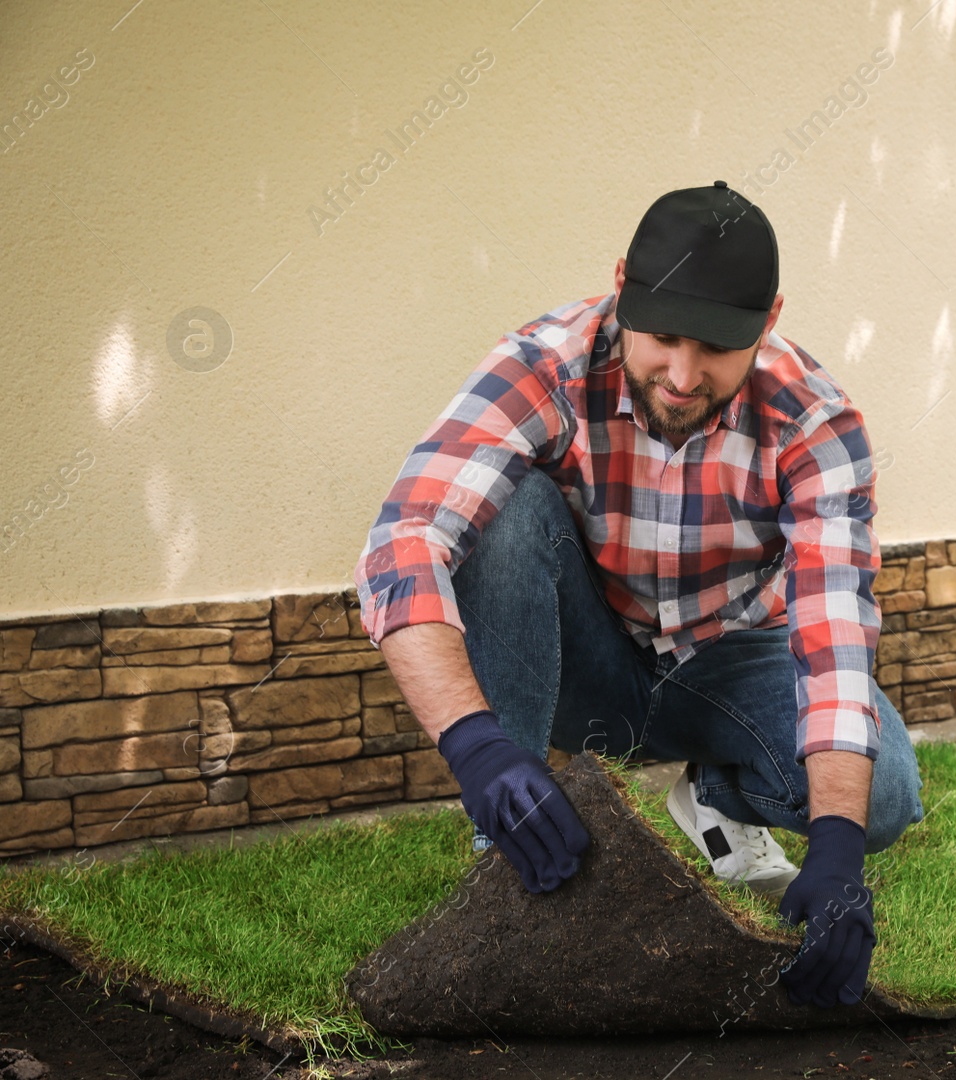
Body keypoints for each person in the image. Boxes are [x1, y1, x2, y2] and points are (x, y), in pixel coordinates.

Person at [352, 181, 925, 1010]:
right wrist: (477, 749)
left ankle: (717, 802)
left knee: (889, 800)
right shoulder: (543, 365)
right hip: (592, 660)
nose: (684, 377)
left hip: (730, 660)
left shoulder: (815, 423)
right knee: (504, 511)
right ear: (623, 287)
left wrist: (836, 849)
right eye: (661, 338)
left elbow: (832, 635)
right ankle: (503, 853)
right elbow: (403, 545)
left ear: (767, 323)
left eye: (717, 349)